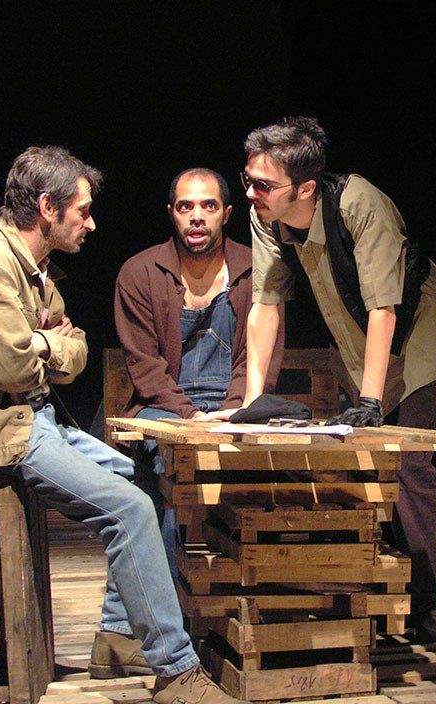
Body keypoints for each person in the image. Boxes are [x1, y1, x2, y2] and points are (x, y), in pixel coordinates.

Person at [0, 146, 244, 704]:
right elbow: (10, 368)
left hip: (36, 417)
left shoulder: (34, 268)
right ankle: (176, 669)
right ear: (48, 208)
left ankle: (119, 636)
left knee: (147, 483)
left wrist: (44, 344)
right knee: (130, 509)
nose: (91, 224)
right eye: (83, 210)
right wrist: (48, 344)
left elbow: (76, 353)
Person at [238, 116, 436, 643]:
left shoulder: (360, 204)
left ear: (305, 188)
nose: (251, 193)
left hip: (418, 338)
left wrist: (369, 400)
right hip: (361, 343)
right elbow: (266, 305)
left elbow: (384, 307)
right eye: (248, 180)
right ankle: (386, 596)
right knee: (365, 468)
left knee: (407, 466)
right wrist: (253, 398)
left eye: (264, 185)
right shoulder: (267, 216)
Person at [113, 167, 284, 580]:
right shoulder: (140, 272)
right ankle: (167, 600)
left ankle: (253, 590)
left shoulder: (256, 268)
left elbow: (260, 357)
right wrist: (189, 417)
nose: (196, 217)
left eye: (208, 206)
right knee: (167, 463)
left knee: (284, 466)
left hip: (234, 406)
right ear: (171, 213)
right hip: (166, 407)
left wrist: (235, 411)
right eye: (185, 207)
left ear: (227, 213)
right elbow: (145, 367)